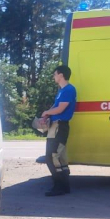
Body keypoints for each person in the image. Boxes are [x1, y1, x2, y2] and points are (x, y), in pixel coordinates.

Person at [40, 65, 76, 196]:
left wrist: (46, 112)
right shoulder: (62, 90)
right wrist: (47, 115)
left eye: (55, 74)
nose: (54, 77)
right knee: (59, 157)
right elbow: (56, 107)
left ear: (61, 75)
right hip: (56, 126)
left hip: (59, 127)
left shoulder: (68, 90)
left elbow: (60, 109)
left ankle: (59, 187)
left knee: (52, 157)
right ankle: (64, 186)